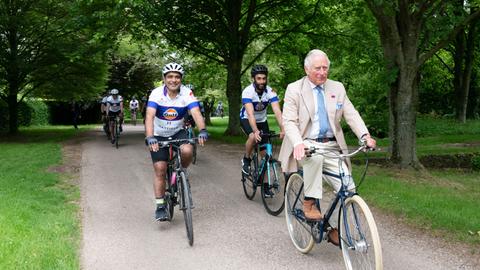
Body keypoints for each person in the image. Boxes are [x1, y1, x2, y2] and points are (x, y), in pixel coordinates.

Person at [278, 49, 376, 246]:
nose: (322, 72)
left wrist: (364, 135)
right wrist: (297, 143)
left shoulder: (337, 88)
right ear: (307, 69)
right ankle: (309, 202)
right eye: (317, 68)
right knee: (314, 158)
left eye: (325, 68)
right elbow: (289, 120)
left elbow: (351, 113)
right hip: (305, 142)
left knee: (348, 189)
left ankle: (334, 228)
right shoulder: (294, 89)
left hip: (331, 146)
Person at [144, 62, 208, 221]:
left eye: (177, 77)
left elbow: (196, 112)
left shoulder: (187, 93)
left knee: (187, 151)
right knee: (160, 167)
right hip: (159, 134)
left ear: (181, 79)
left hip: (178, 131)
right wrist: (150, 136)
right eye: (170, 77)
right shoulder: (156, 93)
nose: (173, 80)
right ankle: (160, 206)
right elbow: (150, 116)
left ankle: (181, 172)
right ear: (164, 79)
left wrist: (202, 130)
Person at [239, 64, 285, 190]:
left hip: (262, 121)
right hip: (247, 119)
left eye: (264, 79)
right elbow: (250, 114)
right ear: (253, 79)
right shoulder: (248, 92)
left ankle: (265, 185)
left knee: (265, 155)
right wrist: (255, 130)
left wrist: (283, 128)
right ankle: (246, 159)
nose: (262, 81)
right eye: (259, 78)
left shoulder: (270, 91)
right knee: (253, 137)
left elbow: (277, 111)